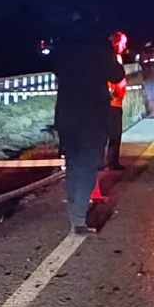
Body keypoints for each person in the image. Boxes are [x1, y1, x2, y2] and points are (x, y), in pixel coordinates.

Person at [50, 15, 119, 233]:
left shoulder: (63, 44)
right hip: (93, 114)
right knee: (88, 165)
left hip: (67, 113)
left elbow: (55, 68)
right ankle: (79, 218)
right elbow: (116, 75)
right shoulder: (100, 45)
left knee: (73, 164)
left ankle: (74, 215)